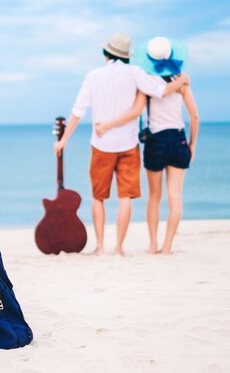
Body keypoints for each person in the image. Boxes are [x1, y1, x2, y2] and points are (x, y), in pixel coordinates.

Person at [54, 33, 189, 256]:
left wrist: (63, 140)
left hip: (101, 144)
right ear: (127, 56)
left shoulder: (93, 75)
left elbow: (78, 111)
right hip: (128, 145)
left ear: (106, 54)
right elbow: (161, 91)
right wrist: (182, 81)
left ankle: (100, 247)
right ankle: (119, 247)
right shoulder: (135, 73)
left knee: (99, 197)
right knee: (124, 198)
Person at [95, 36, 199, 255]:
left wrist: (108, 124)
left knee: (154, 196)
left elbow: (136, 110)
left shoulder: (147, 83)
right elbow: (194, 116)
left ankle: (152, 245)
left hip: (156, 141)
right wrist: (192, 145)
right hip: (179, 138)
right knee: (175, 196)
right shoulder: (182, 81)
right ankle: (168, 246)